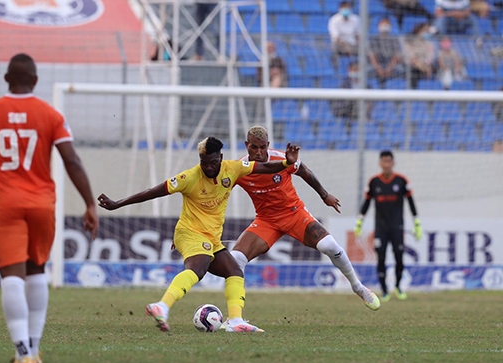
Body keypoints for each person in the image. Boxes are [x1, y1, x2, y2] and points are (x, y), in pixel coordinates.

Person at [0, 53, 99, 363]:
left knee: (11, 276)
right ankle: (34, 348)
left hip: (6, 205)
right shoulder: (50, 114)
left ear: (6, 80)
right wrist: (89, 203)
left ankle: (22, 355)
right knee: (36, 272)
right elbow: (72, 161)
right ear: (35, 81)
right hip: (42, 205)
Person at [98, 137, 301, 333]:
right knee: (199, 267)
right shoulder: (189, 177)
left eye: (213, 162)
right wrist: (118, 204)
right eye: (204, 163)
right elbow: (152, 192)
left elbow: (263, 168)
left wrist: (285, 163)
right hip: (190, 233)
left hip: (211, 238)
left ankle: (236, 321)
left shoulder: (234, 168)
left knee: (234, 271)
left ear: (220, 158)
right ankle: (162, 306)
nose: (209, 167)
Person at [229, 127, 379, 311]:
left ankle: (358, 287)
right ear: (246, 145)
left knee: (329, 246)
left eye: (262, 147)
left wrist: (324, 195)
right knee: (235, 259)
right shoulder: (239, 169)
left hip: (294, 214)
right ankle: (235, 318)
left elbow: (304, 171)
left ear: (268, 145)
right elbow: (221, 187)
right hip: (266, 221)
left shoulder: (282, 159)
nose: (258, 152)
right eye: (254, 147)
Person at [354, 151, 422, 302]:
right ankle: (384, 290)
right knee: (381, 258)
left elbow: (410, 202)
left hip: (397, 227)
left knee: (399, 257)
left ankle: (398, 287)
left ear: (393, 163)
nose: (386, 164)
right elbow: (366, 203)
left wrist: (416, 222)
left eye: (389, 161)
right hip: (381, 228)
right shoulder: (374, 182)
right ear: (380, 163)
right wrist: (360, 221)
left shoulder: (401, 181)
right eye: (384, 162)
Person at [369, 17, 404, 88]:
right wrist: (379, 69)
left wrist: (389, 69)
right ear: (378, 26)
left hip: (392, 65)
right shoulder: (374, 39)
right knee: (367, 70)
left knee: (401, 70)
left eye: (387, 24)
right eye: (383, 24)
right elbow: (372, 56)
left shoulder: (394, 40)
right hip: (377, 65)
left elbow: (397, 56)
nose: (385, 26)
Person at [403, 23, 437, 89]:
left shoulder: (429, 44)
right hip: (414, 66)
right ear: (419, 31)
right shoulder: (409, 42)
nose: (427, 32)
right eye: (425, 30)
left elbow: (430, 57)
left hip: (425, 66)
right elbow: (411, 58)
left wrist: (427, 66)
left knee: (434, 69)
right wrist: (422, 67)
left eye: (428, 31)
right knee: (413, 71)